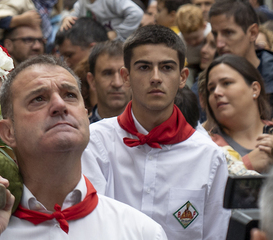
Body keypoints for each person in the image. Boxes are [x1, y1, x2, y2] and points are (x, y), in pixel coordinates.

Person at [0, 55, 166, 240]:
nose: (59, 105)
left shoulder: (141, 232)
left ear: (85, 116)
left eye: (70, 95)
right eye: (38, 99)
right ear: (8, 132)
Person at [81, 25, 230, 240]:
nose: (156, 77)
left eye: (167, 67)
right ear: (126, 76)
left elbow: (216, 235)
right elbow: (89, 228)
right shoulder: (95, 143)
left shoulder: (209, 156)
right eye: (144, 67)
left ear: (182, 77)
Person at [200, 54, 273, 174]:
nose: (216, 92)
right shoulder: (204, 145)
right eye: (211, 89)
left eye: (227, 83)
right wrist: (247, 164)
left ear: (254, 89)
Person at [210, 0, 273, 102]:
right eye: (215, 34)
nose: (219, 43)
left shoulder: (270, 76)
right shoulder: (206, 83)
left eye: (228, 33)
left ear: (252, 33)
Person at [86, 40, 130, 123]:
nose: (117, 83)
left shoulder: (152, 130)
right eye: (108, 73)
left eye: (124, 74)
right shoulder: (82, 133)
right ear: (92, 81)